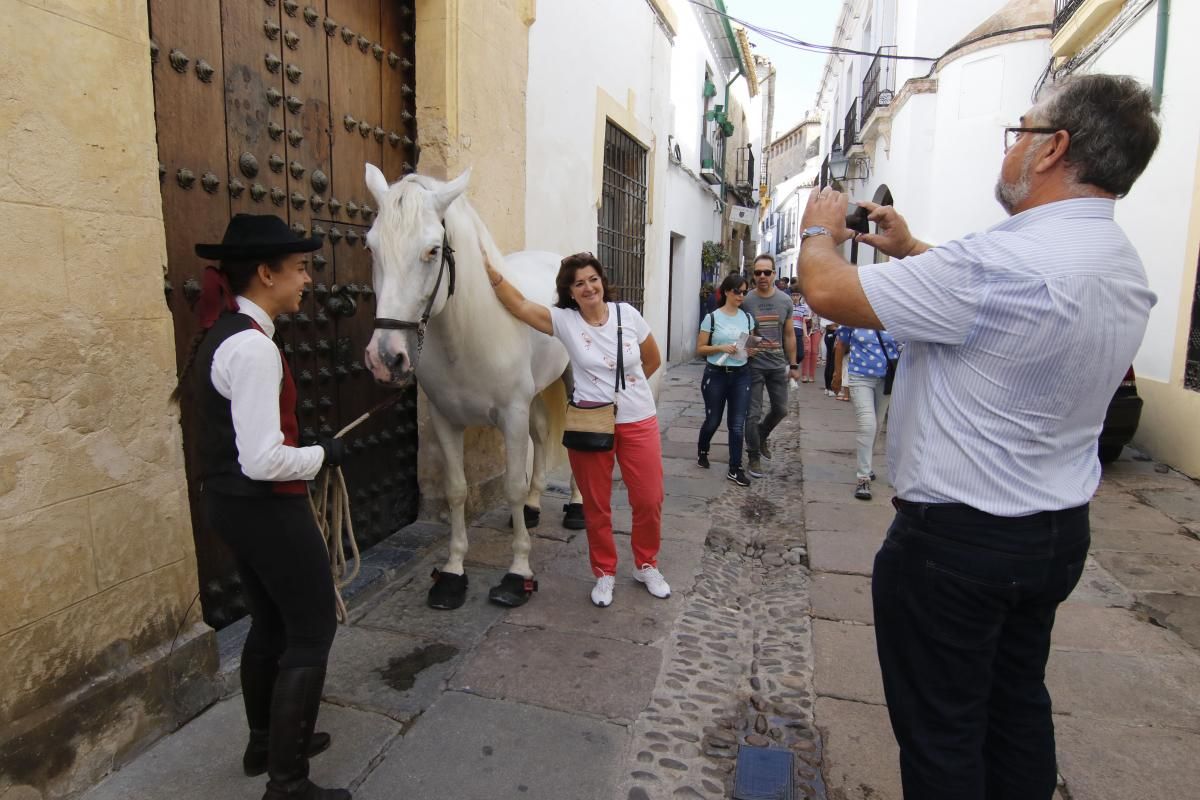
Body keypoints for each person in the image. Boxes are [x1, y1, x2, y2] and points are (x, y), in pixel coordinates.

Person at [798, 74, 1160, 799]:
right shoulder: (1119, 262)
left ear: (1053, 148)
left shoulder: (998, 262)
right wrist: (913, 249)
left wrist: (818, 228)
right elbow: (988, 305)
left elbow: (826, 291)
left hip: (957, 549)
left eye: (1020, 132)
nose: (1011, 149)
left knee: (942, 739)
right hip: (1053, 535)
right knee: (1016, 710)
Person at [176, 215, 350, 800]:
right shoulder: (251, 348)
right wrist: (322, 454)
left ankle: (264, 745)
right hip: (263, 505)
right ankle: (288, 783)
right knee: (311, 628)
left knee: (271, 623)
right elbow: (263, 460)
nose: (307, 280)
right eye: (299, 269)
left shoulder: (228, 333)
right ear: (266, 272)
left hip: (230, 506)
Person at [484, 251, 670, 609]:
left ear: (602, 281)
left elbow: (652, 359)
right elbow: (521, 306)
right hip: (589, 422)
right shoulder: (565, 321)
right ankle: (604, 572)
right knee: (596, 505)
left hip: (638, 419)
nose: (588, 287)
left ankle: (647, 564)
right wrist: (491, 273)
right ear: (569, 291)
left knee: (649, 498)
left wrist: (625, 394)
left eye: (593, 279)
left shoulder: (626, 314)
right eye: (579, 283)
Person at [741, 254, 802, 477]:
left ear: (774, 274)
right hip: (754, 365)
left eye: (767, 272)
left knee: (781, 409)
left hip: (777, 364)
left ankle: (761, 434)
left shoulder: (784, 301)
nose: (763, 276)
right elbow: (743, 332)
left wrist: (793, 364)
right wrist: (747, 350)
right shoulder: (747, 300)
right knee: (752, 413)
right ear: (754, 275)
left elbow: (789, 335)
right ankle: (753, 456)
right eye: (758, 273)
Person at [696, 273, 758, 486]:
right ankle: (703, 449)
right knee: (713, 420)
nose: (741, 295)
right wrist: (721, 347)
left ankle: (735, 467)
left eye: (744, 291)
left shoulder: (748, 318)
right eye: (737, 291)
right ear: (726, 292)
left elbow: (750, 346)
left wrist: (751, 351)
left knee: (737, 424)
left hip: (741, 375)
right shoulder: (712, 318)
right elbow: (700, 348)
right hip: (716, 374)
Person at [831, 326, 898, 500]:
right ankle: (863, 478)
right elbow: (840, 345)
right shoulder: (854, 314)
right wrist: (837, 375)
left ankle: (866, 465)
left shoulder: (895, 313)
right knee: (868, 424)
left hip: (887, 378)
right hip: (860, 376)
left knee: (877, 424)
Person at [822, 322, 839, 397]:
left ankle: (827, 387)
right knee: (832, 362)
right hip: (833, 334)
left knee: (829, 361)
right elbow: (833, 324)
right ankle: (830, 388)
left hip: (829, 334)